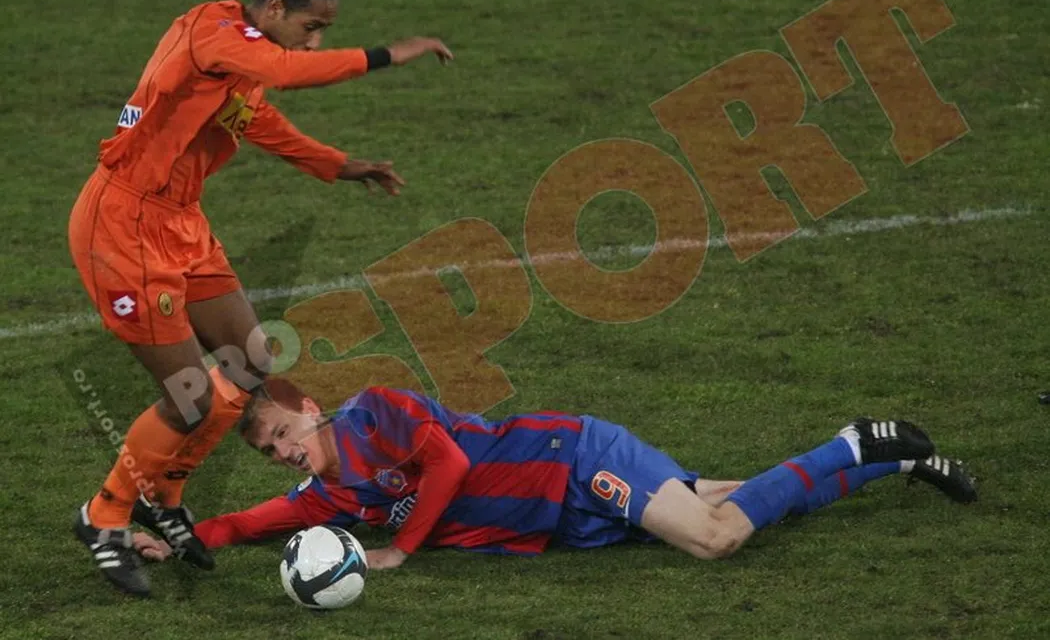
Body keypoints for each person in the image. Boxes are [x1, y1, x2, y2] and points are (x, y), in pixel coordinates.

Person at [69, 0, 454, 597]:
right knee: (190, 396)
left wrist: (339, 165)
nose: (315, 42)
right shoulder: (214, 34)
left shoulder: (241, 64)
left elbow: (258, 121)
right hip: (124, 227)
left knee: (250, 361)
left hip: (179, 221)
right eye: (311, 27)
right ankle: (103, 515)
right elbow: (286, 71)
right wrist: (390, 54)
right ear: (274, 9)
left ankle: (164, 493)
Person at [133, 379, 977, 571]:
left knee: (714, 538)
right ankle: (895, 461)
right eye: (270, 451)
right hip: (562, 522)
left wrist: (400, 550)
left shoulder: (373, 414)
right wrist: (175, 539)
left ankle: (853, 441)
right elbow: (247, 523)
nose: (284, 451)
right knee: (738, 498)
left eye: (284, 433)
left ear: (308, 407)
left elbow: (450, 462)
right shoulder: (330, 494)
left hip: (572, 461)